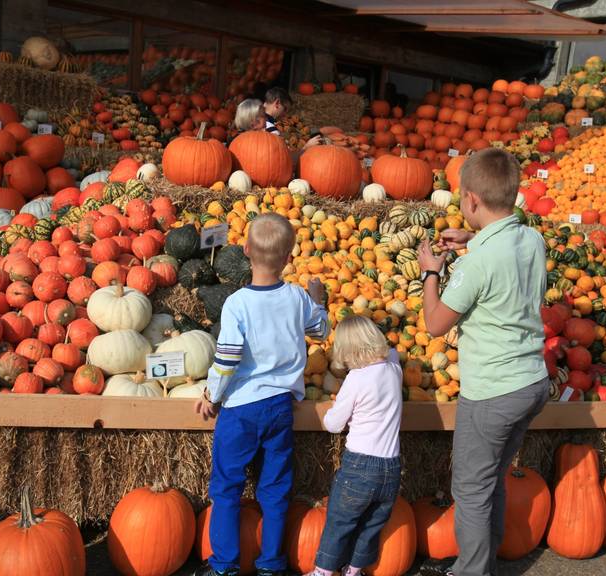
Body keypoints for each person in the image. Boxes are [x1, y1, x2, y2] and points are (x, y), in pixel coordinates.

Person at [416, 148, 550, 576]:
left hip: (493, 390)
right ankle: (483, 559)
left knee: (471, 488)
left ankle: (472, 571)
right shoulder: (532, 238)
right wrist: (471, 239)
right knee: (490, 479)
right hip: (531, 382)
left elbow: (436, 324)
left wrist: (430, 273)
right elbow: (504, 246)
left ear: (471, 200)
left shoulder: (474, 267)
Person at [195, 213, 328, 576]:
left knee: (226, 487)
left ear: (246, 250)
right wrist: (318, 300)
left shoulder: (238, 303)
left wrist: (212, 393)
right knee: (274, 488)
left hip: (240, 409)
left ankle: (224, 566)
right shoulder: (298, 298)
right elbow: (320, 330)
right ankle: (271, 563)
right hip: (280, 408)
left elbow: (227, 359)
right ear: (288, 256)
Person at [308, 315, 402, 576]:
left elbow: (335, 424)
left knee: (340, 520)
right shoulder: (395, 369)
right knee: (372, 524)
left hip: (360, 467)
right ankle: (355, 570)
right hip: (391, 467)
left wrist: (329, 412)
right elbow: (392, 352)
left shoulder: (356, 379)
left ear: (347, 351)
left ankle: (324, 572)